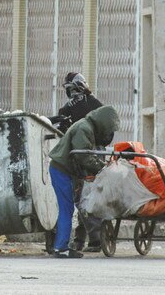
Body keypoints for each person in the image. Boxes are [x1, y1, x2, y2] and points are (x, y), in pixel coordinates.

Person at [48, 105, 120, 258]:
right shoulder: (84, 128)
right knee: (66, 209)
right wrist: (102, 169)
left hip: (63, 170)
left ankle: (60, 246)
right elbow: (83, 156)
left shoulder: (85, 126)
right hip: (61, 170)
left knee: (67, 209)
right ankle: (61, 248)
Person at [58, 72, 104, 252]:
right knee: (89, 198)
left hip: (82, 158)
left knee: (83, 199)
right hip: (95, 155)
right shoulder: (96, 105)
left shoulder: (69, 108)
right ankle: (81, 239)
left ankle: (94, 240)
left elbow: (63, 131)